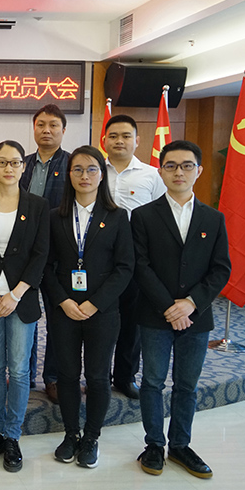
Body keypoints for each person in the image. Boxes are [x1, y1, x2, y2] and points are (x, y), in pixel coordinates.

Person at [132, 140, 230, 479]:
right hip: (154, 314)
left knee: (187, 385)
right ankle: (154, 444)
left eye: (187, 165)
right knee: (152, 381)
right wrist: (168, 306)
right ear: (161, 171)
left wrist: (190, 303)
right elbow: (140, 265)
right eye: (171, 165)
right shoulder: (143, 216)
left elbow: (221, 269)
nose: (179, 172)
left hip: (196, 318)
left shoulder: (213, 218)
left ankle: (180, 445)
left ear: (198, 171)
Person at [42, 145, 133, 469]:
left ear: (102, 174)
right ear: (69, 175)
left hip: (102, 311)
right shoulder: (54, 217)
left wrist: (95, 303)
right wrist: (63, 301)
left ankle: (91, 437)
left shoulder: (118, 216)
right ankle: (71, 434)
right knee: (67, 375)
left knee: (97, 376)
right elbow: (46, 266)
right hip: (64, 310)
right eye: (78, 169)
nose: (85, 175)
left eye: (91, 169)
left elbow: (125, 267)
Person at [0, 140, 49, 473]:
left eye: (15, 162)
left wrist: (15, 294)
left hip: (21, 299)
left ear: (23, 167)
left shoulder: (38, 205)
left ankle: (13, 435)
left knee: (18, 370)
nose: (9, 168)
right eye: (2, 162)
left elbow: (41, 254)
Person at [103, 114, 167, 400]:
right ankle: (99, 375)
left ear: (137, 140)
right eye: (114, 136)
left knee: (132, 322)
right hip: (99, 259)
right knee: (100, 321)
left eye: (126, 136)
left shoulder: (152, 175)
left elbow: (161, 217)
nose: (119, 141)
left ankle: (125, 377)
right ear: (104, 140)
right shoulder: (94, 170)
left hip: (136, 259)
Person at [20, 103, 70, 402]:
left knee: (57, 319)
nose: (46, 130)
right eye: (41, 125)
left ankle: (52, 377)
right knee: (26, 317)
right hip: (24, 254)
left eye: (53, 125)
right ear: (34, 128)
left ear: (63, 130)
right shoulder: (22, 163)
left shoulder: (72, 164)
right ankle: (24, 374)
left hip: (58, 254)